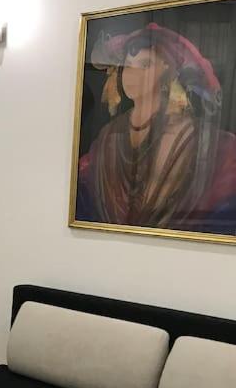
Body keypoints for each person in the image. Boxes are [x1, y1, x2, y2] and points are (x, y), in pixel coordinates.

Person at [76, 22, 236, 235]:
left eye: (145, 65)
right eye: (128, 65)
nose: (132, 74)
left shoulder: (191, 135)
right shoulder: (110, 134)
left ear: (167, 72)